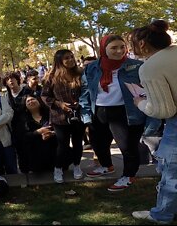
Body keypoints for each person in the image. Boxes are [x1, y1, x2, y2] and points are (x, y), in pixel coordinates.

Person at [80, 34, 146, 191]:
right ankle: (106, 165)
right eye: (114, 48)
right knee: (98, 143)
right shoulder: (92, 67)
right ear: (104, 49)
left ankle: (129, 175)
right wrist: (86, 114)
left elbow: (145, 89)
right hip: (100, 110)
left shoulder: (136, 66)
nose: (119, 51)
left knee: (127, 147)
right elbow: (85, 92)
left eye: (122, 47)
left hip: (125, 111)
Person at [128, 20, 177, 224]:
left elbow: (163, 110)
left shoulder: (150, 67)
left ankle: (162, 215)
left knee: (171, 172)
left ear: (141, 44)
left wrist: (140, 102)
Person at [41, 49, 85, 184]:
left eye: (72, 56)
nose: (71, 59)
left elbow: (87, 91)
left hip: (78, 115)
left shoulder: (80, 73)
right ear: (59, 61)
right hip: (59, 117)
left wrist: (81, 102)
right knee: (63, 145)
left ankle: (77, 166)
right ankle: (58, 168)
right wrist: (59, 104)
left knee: (78, 143)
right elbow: (44, 96)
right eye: (67, 58)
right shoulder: (52, 76)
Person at [20, 95, 57, 173]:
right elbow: (23, 136)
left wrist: (52, 133)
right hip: (35, 151)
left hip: (52, 146)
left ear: (39, 101)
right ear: (25, 106)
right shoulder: (24, 119)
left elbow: (59, 129)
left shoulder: (49, 114)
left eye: (33, 99)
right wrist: (38, 132)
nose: (31, 102)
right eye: (28, 101)